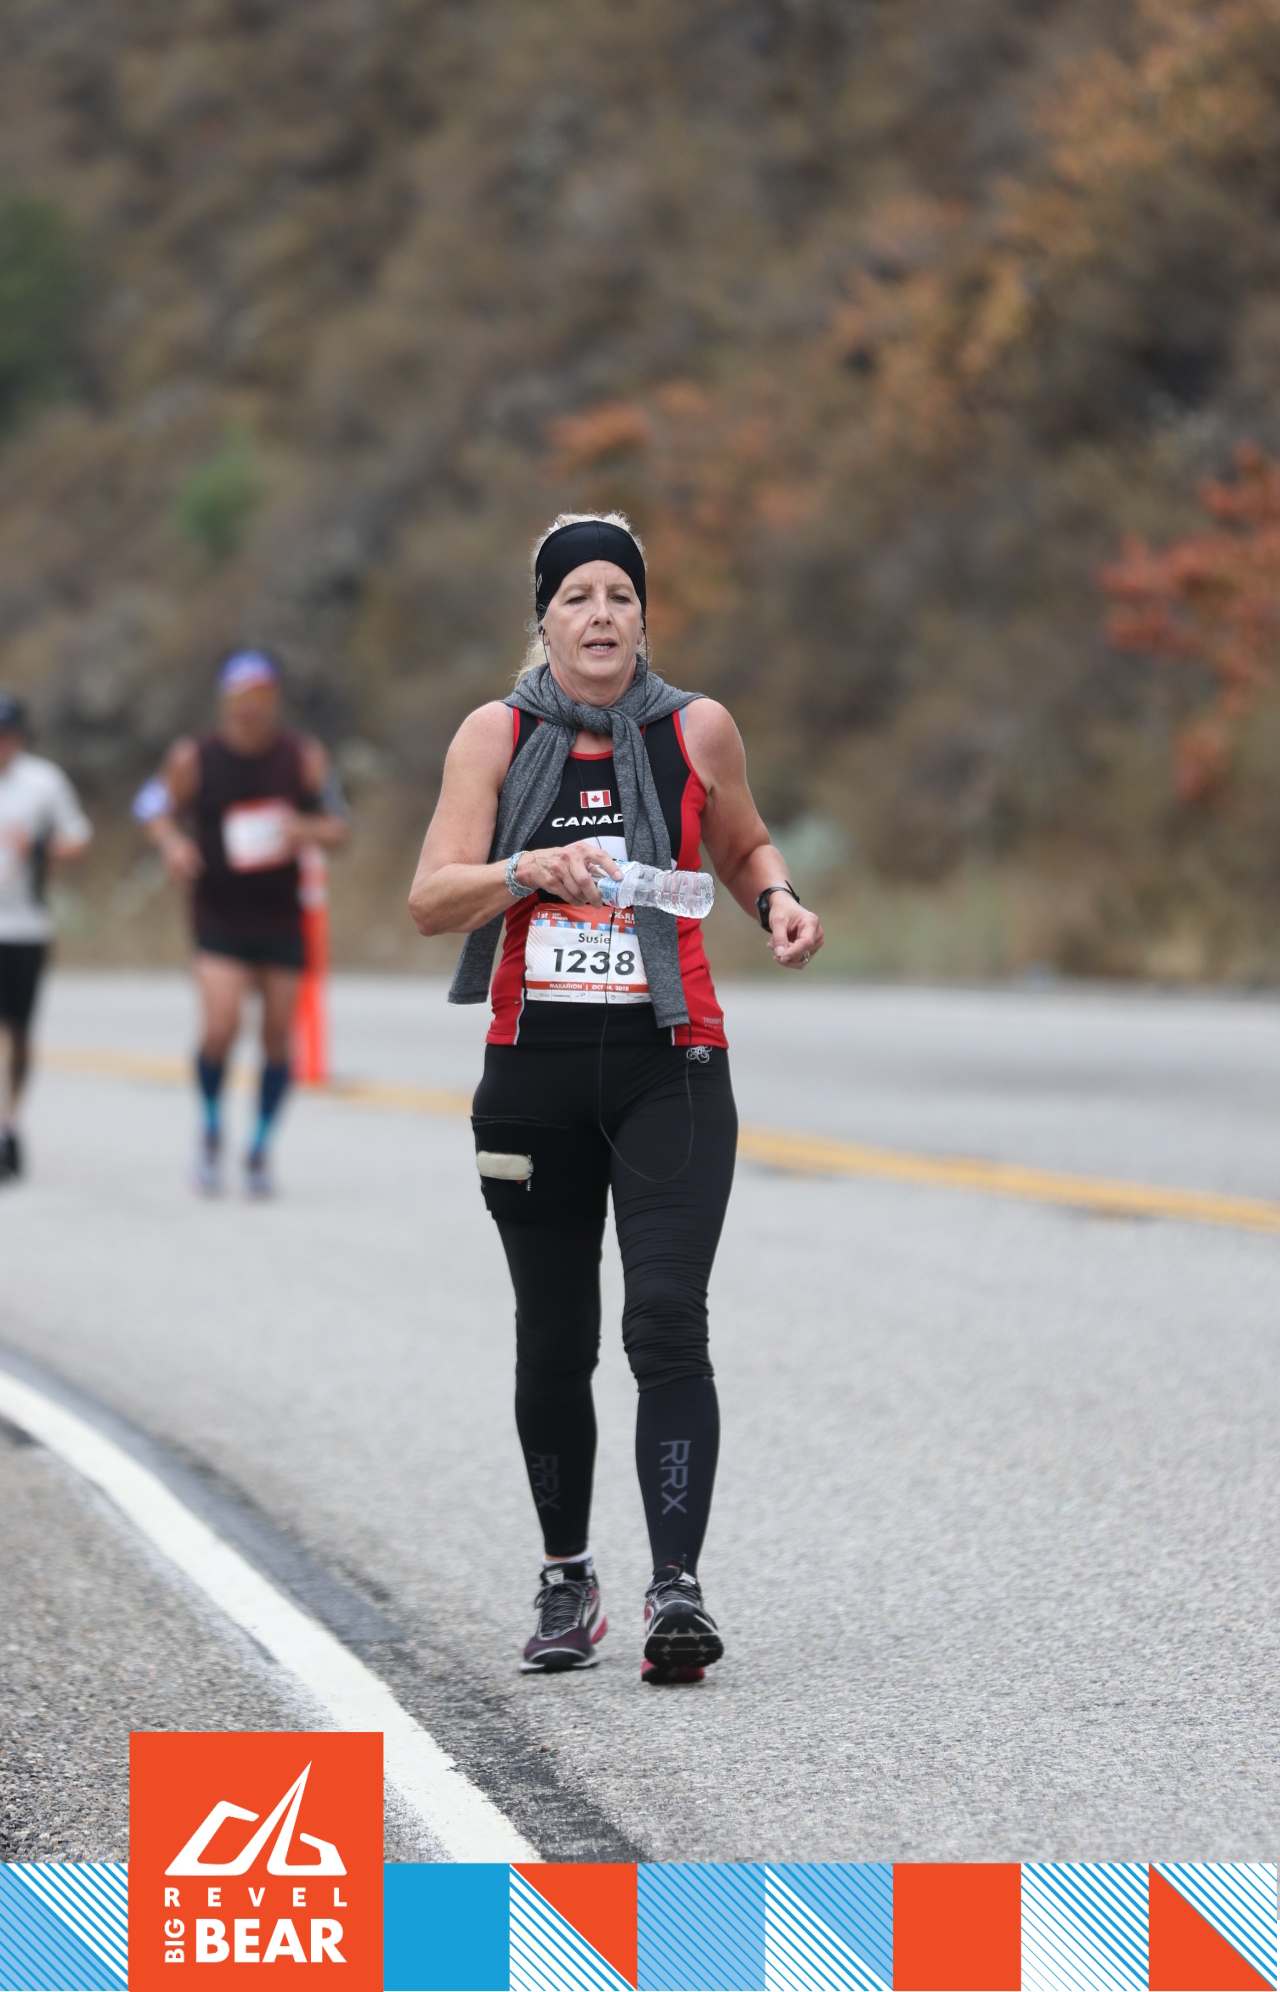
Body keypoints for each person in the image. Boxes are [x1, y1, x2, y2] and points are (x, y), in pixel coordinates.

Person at [409, 512, 823, 1684]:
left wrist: (776, 899)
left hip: (668, 1064)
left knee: (665, 1322)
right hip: (531, 1073)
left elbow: (741, 844)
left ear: (644, 617)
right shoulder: (493, 736)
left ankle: (675, 1589)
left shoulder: (695, 728)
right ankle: (565, 1577)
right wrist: (524, 869)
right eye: (576, 597)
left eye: (619, 596)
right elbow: (431, 899)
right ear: (541, 620)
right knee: (555, 1340)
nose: (600, 615)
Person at [136, 652, 349, 1197]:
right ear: (224, 701)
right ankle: (211, 1130)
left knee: (277, 1038)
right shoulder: (195, 756)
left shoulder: (303, 756)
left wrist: (306, 829)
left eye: (261, 697)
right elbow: (150, 806)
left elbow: (339, 827)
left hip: (280, 917)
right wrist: (171, 843)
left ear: (275, 699)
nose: (250, 708)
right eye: (240, 698)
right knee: (220, 1028)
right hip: (219, 913)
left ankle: (258, 1149)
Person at [0, 693, 93, 1182]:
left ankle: (11, 1122)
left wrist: (38, 846)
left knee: (18, 1032)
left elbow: (78, 838)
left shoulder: (43, 782)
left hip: (25, 925)